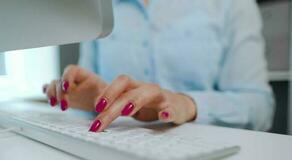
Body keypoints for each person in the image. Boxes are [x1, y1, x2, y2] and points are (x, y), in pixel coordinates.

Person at [44, 0, 275, 133]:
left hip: (203, 153)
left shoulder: (232, 4)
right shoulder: (100, 8)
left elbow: (260, 106)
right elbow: (88, 107)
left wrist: (188, 104)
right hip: (115, 146)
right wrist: (91, 100)